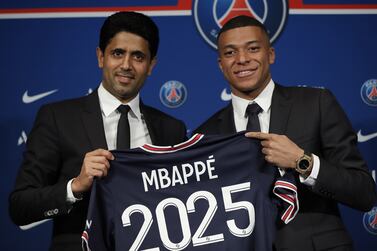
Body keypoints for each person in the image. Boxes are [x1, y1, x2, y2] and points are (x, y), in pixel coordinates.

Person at [193, 15, 376, 251]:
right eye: (230, 53)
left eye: (253, 49)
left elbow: (363, 193)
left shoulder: (316, 104)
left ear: (270, 54)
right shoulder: (205, 136)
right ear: (221, 64)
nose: (242, 59)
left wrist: (302, 161)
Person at [9, 11, 187, 250]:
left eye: (138, 56)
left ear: (151, 65)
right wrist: (76, 186)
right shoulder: (58, 118)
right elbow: (20, 207)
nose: (126, 65)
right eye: (117, 53)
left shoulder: (172, 129)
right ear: (100, 56)